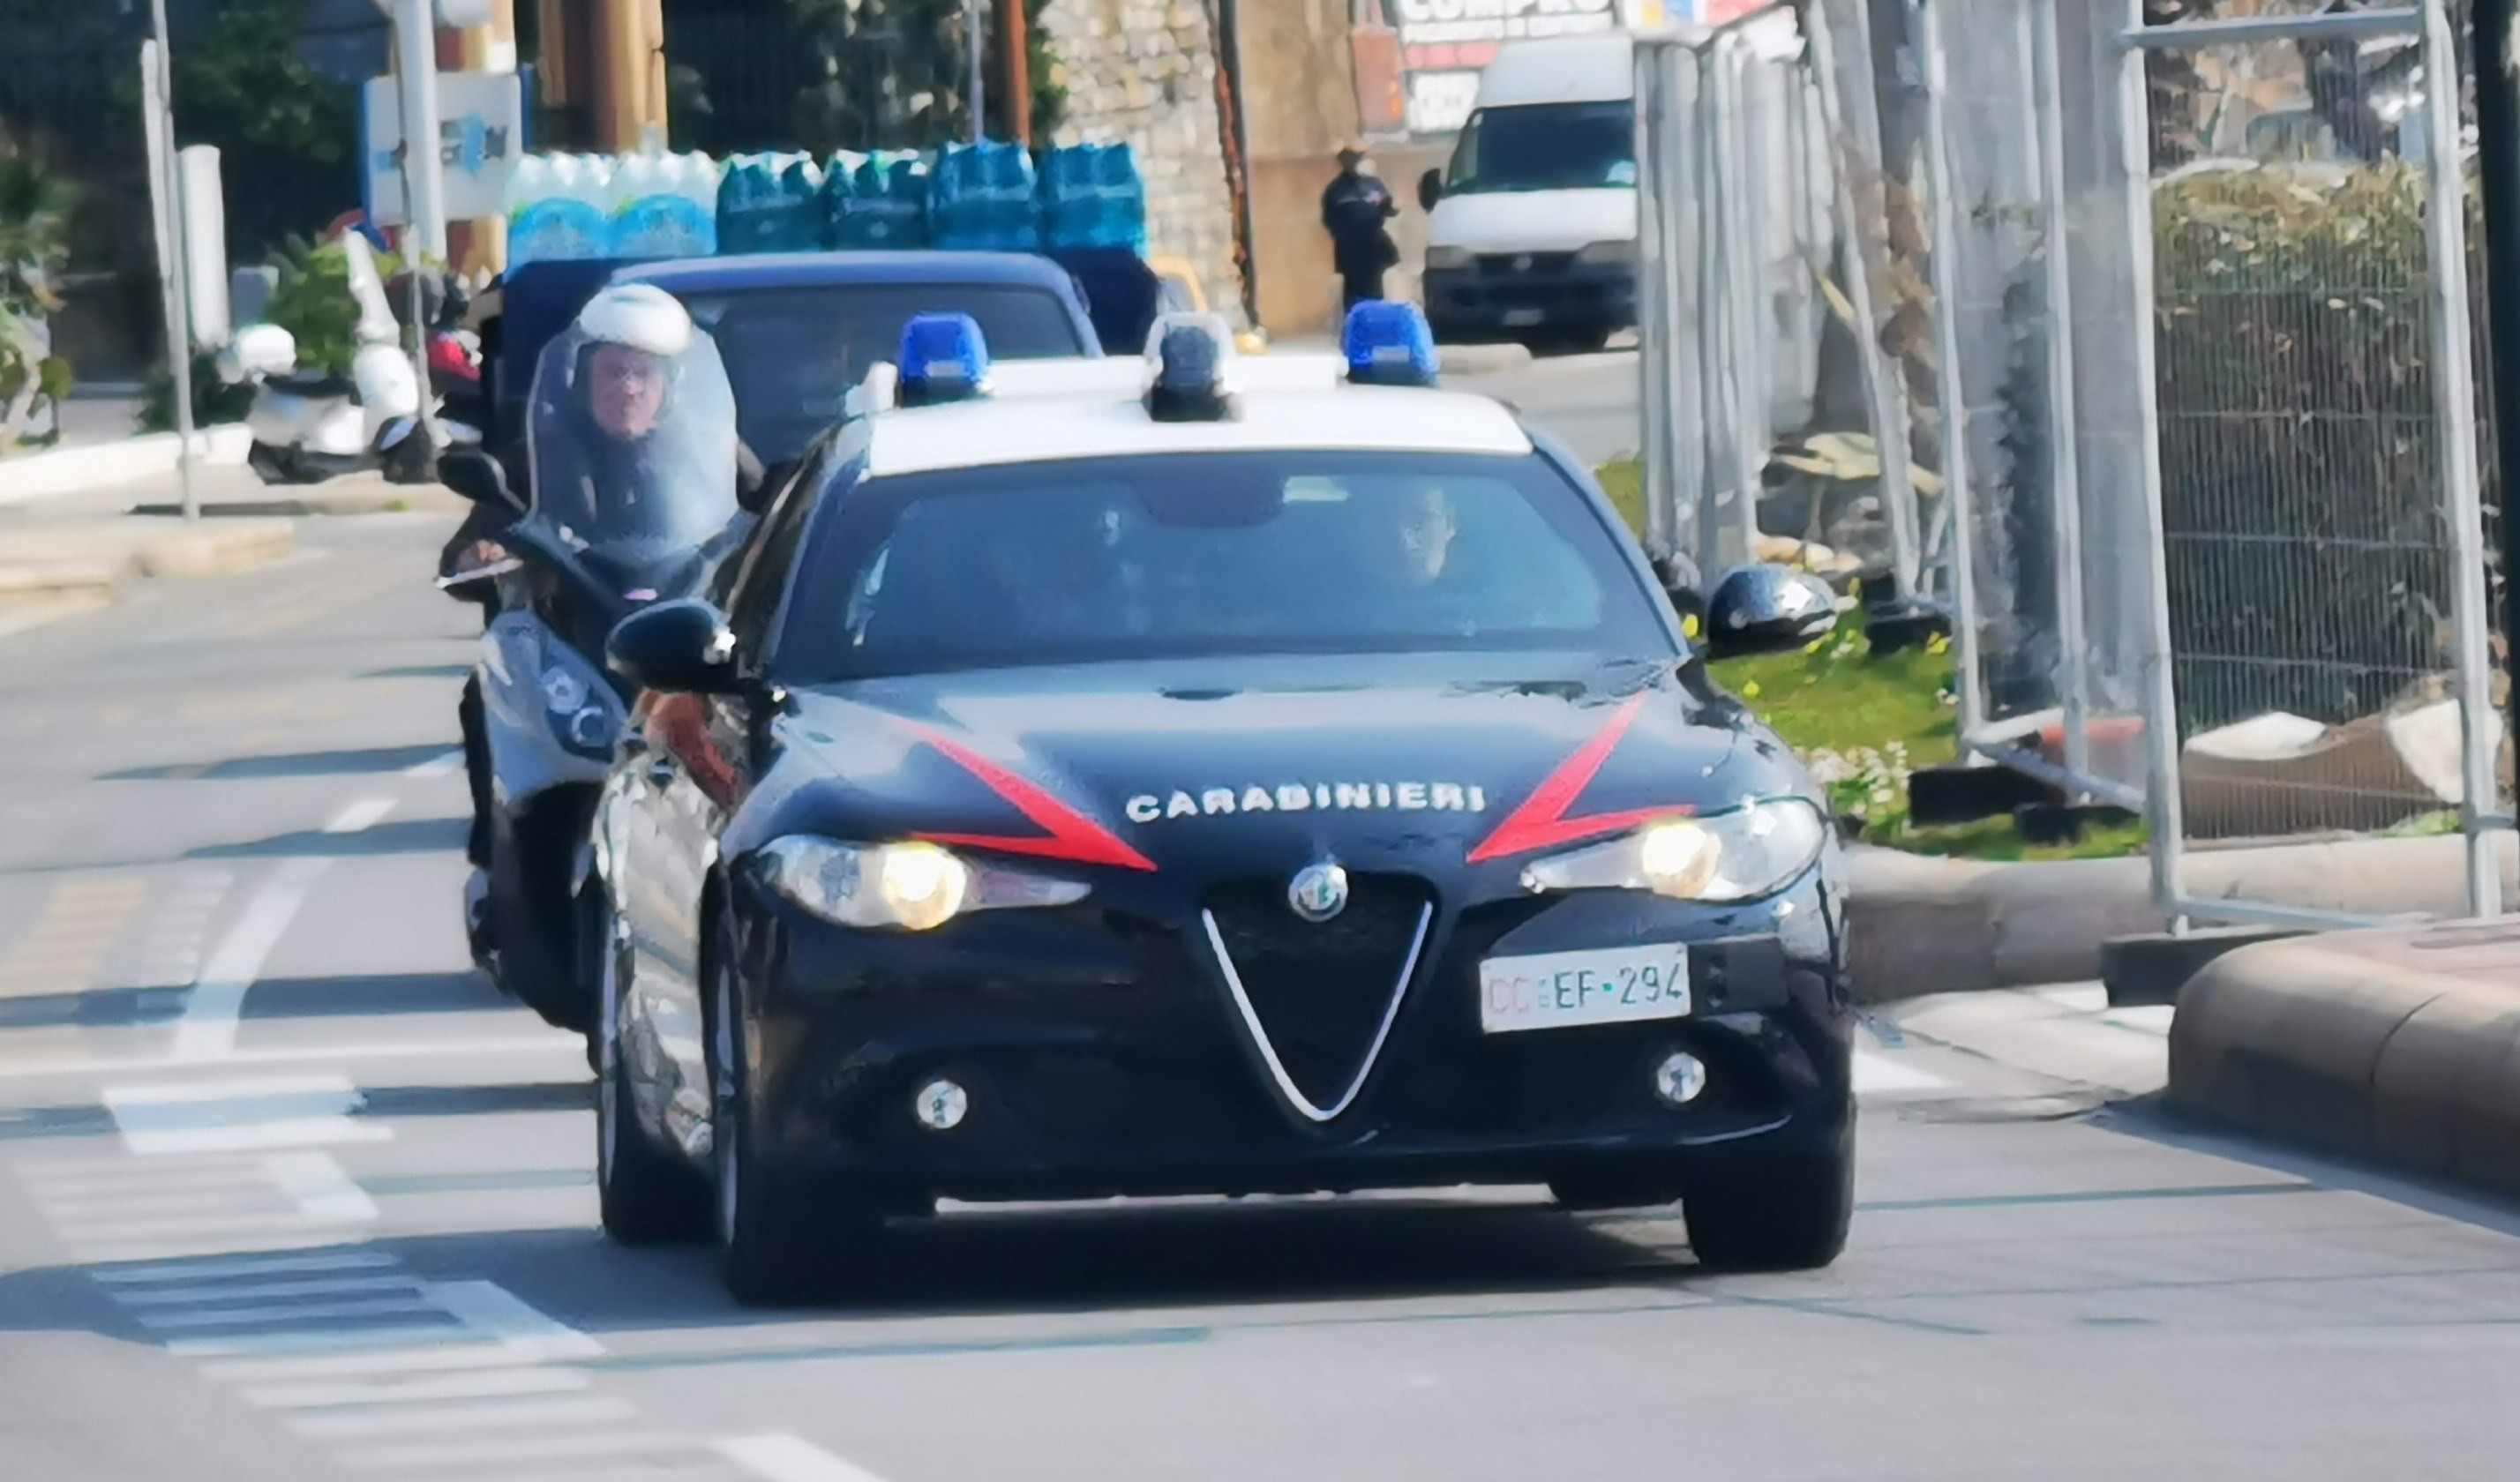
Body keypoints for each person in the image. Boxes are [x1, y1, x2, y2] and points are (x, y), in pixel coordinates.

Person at [1320, 144, 1400, 311]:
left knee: (1376, 291)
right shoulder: (1336, 190)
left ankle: (1377, 323)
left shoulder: (1374, 184)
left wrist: (1386, 209)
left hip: (1375, 249)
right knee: (1354, 295)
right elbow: (1329, 220)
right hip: (1351, 251)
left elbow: (1389, 209)